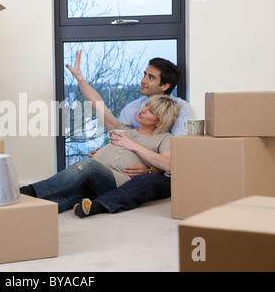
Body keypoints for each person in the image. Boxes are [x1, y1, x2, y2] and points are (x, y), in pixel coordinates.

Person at [20, 50, 180, 213]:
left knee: (88, 165)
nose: (144, 110)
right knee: (72, 195)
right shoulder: (125, 128)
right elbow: (98, 104)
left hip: (118, 181)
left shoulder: (164, 138)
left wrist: (132, 145)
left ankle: (29, 191)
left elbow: (168, 164)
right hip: (97, 176)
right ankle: (33, 209)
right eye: (146, 106)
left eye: (151, 111)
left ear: (160, 120)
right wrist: (79, 78)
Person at [71, 53, 192, 218]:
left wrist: (150, 169)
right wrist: (103, 153)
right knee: (90, 174)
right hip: (127, 169)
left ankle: (99, 205)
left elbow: (179, 155)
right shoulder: (132, 108)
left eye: (151, 77)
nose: (143, 80)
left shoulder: (181, 108)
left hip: (162, 173)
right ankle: (56, 199)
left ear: (165, 85)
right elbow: (119, 136)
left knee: (147, 181)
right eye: (144, 75)